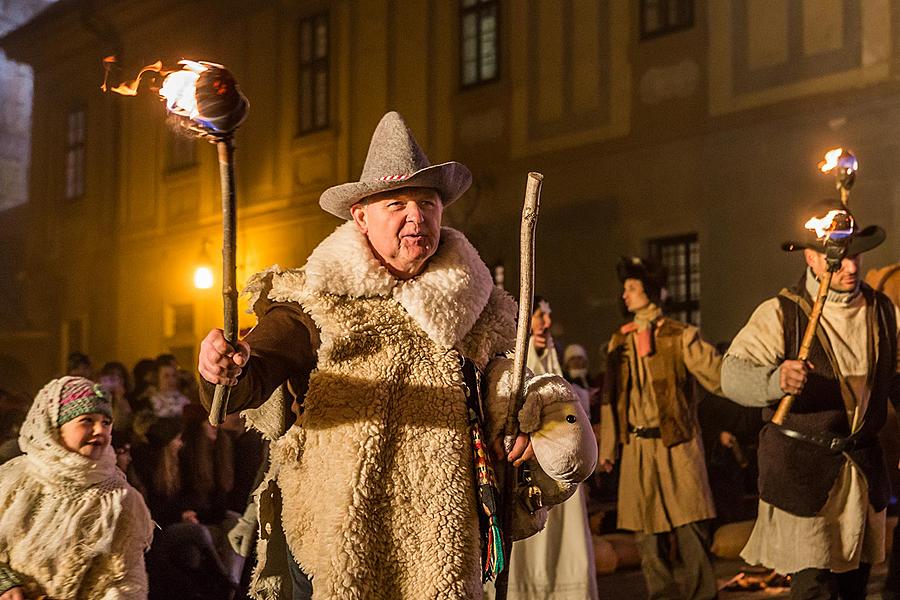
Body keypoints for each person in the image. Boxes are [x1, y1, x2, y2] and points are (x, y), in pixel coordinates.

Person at [197, 111, 596, 599]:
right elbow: (250, 374)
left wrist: (524, 416)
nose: (416, 217)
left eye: (427, 202)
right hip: (334, 536)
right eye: (397, 203)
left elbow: (504, 382)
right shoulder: (312, 301)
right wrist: (223, 366)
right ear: (360, 216)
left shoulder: (478, 306)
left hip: (441, 540)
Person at [721, 200, 898, 599]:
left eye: (857, 255)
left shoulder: (883, 311)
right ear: (812, 258)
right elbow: (731, 377)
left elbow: (898, 376)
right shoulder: (780, 313)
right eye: (841, 257)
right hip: (802, 473)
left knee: (856, 582)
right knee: (813, 587)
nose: (852, 267)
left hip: (861, 470)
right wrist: (774, 378)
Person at [600, 256, 722, 600]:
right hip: (638, 448)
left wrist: (763, 382)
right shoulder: (618, 342)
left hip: (678, 444)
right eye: (624, 288)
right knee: (647, 535)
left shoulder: (682, 336)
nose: (625, 294)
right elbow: (611, 397)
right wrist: (608, 448)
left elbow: (718, 376)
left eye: (633, 288)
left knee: (691, 528)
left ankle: (703, 596)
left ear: (651, 293)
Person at [0, 377, 153, 599]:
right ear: (55, 427)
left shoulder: (118, 498)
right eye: (87, 421)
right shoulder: (17, 482)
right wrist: (5, 584)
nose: (100, 430)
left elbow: (127, 579)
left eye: (106, 422)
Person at [500, 298, 598, 600]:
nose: (544, 322)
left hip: (558, 461)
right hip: (526, 466)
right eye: (538, 314)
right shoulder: (512, 357)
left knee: (562, 533)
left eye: (547, 315)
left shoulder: (552, 359)